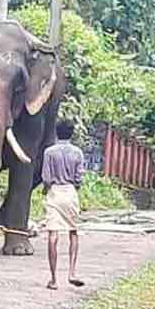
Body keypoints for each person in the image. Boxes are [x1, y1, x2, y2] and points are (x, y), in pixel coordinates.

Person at [42, 119, 85, 290]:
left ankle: (53, 279)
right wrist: (74, 187)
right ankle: (72, 272)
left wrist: (46, 191)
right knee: (73, 232)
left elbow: (46, 178)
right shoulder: (78, 153)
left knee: (53, 234)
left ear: (56, 132)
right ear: (72, 133)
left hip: (55, 192)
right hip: (70, 192)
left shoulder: (49, 152)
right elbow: (79, 178)